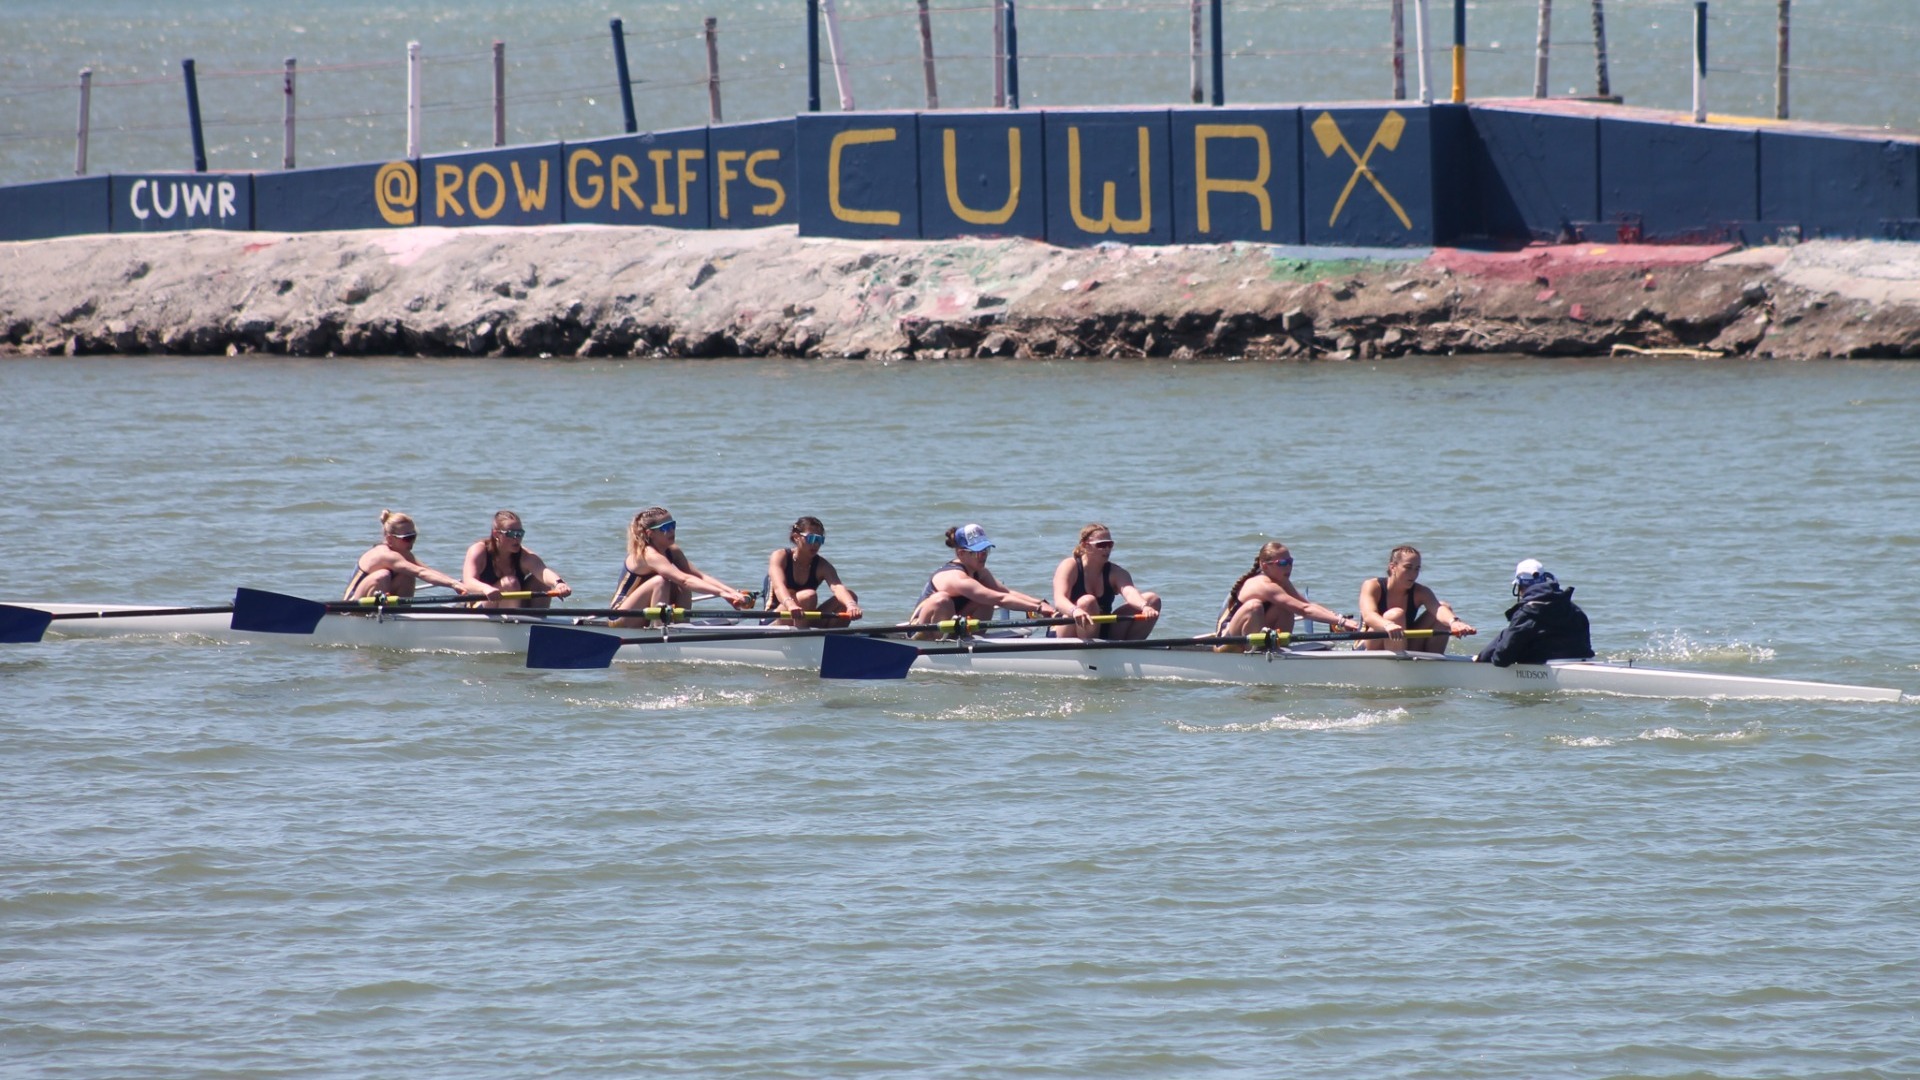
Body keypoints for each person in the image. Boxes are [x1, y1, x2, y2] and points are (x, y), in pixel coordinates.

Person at [907, 523, 1058, 636]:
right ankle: (935, 644)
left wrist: (1043, 605)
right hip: (920, 629)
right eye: (978, 552)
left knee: (987, 598)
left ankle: (973, 644)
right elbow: (1001, 599)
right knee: (942, 600)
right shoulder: (956, 578)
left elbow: (1006, 593)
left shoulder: (981, 572)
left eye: (986, 550)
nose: (983, 556)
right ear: (961, 553)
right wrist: (1037, 609)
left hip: (951, 624)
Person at [611, 507, 751, 627]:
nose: (671, 531)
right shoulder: (648, 555)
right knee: (662, 581)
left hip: (643, 612)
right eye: (665, 528)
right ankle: (659, 629)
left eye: (673, 525)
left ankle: (682, 626)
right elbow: (684, 579)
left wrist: (731, 594)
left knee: (682, 585)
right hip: (620, 616)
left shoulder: (673, 551)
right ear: (650, 533)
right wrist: (721, 593)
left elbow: (698, 576)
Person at [1214, 541, 1360, 650]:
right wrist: (1342, 622)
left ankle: (1278, 650)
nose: (1289, 567)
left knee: (1285, 608)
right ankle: (1253, 652)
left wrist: (1336, 620)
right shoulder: (1264, 585)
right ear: (1265, 565)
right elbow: (1304, 611)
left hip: (1250, 633)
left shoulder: (1282, 582)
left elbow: (1307, 605)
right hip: (1227, 640)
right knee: (1254, 606)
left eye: (1290, 562)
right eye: (1282, 563)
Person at [1050, 523, 1161, 640]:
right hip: (1069, 628)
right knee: (1087, 602)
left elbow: (1130, 592)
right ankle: (1090, 652)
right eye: (1102, 545)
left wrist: (1144, 607)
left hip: (1102, 628)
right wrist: (1075, 610)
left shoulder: (1116, 572)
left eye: (1110, 544)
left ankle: (1130, 651)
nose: (1107, 549)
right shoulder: (1069, 566)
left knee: (1152, 599)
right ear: (1085, 546)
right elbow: (1059, 600)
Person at [1356, 544, 1475, 653]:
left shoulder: (1421, 592)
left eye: (1417, 569)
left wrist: (1454, 622)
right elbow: (1369, 616)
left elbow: (1438, 609)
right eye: (1408, 567)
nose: (1413, 574)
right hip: (1369, 645)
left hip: (1402, 643)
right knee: (1395, 615)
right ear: (1393, 567)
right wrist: (1387, 625)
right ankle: (1396, 668)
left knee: (1445, 607)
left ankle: (1434, 664)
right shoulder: (1372, 585)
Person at [1475, 558, 1594, 666]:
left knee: (1505, 635)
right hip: (1580, 663)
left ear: (1520, 586)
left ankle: (1479, 661)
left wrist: (1501, 639)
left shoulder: (1526, 614)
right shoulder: (1574, 609)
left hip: (1542, 672)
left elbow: (1501, 660)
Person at [344, 509, 478, 601]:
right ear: (390, 539)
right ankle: (374, 619)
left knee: (407, 574)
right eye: (406, 538)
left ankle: (402, 616)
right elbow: (421, 573)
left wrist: (458, 583)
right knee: (382, 575)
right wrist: (453, 585)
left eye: (413, 536)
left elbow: (427, 571)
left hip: (378, 600)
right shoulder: (385, 555)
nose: (412, 541)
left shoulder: (404, 555)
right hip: (352, 606)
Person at [461, 510, 572, 609]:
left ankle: (538, 623)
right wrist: (486, 589)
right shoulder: (479, 550)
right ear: (496, 534)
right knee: (510, 583)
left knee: (541, 582)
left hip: (515, 607)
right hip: (481, 606)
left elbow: (543, 572)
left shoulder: (524, 555)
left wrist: (559, 584)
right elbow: (468, 582)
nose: (517, 538)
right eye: (511, 534)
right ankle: (512, 625)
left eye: (520, 534)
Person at [765, 516, 863, 627]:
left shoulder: (822, 566)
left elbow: (837, 587)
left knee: (850, 596)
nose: (815, 544)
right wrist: (791, 605)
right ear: (796, 537)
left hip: (803, 619)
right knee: (809, 596)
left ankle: (833, 639)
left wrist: (851, 605)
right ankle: (803, 638)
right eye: (811, 538)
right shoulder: (780, 556)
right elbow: (779, 587)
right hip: (774, 618)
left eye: (819, 540)